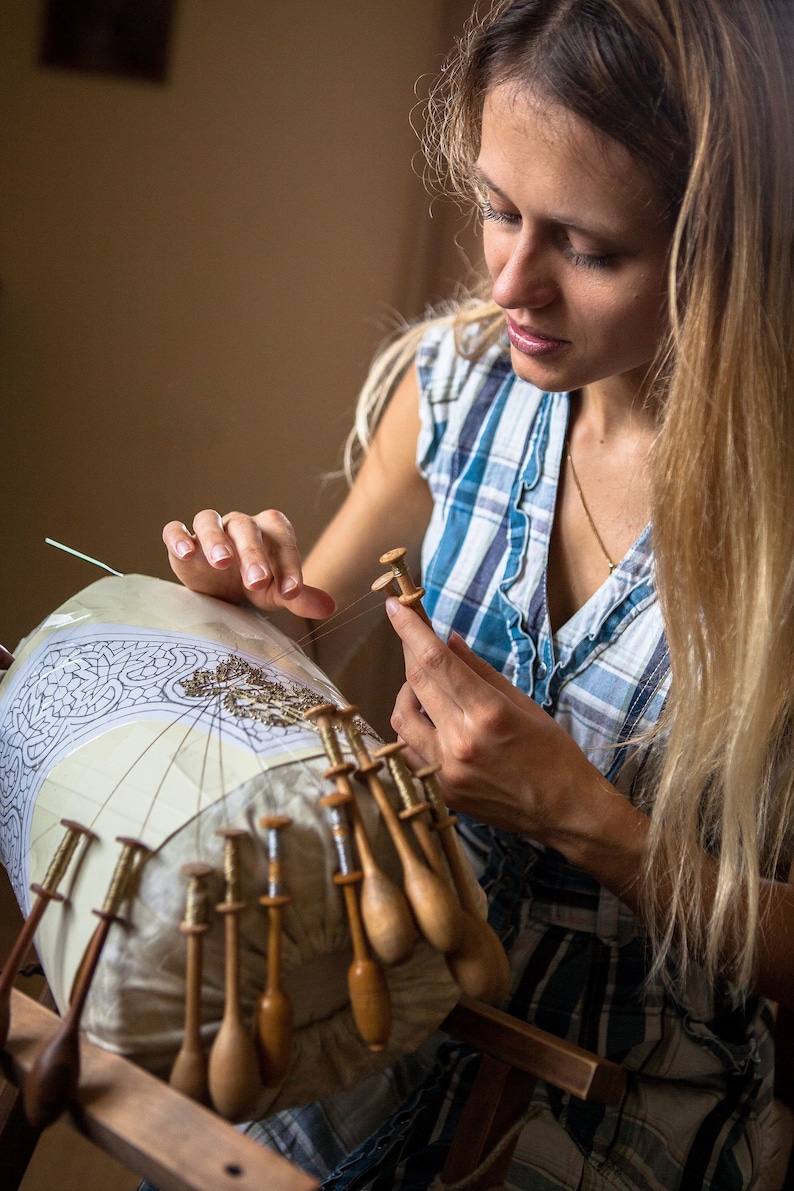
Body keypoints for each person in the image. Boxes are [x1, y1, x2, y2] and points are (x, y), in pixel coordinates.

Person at [161, 1, 794, 1187]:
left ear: (725, 241)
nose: (511, 283)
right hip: (339, 1062)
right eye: (499, 208)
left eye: (588, 249)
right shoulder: (452, 390)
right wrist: (233, 609)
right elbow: (300, 634)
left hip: (606, 1135)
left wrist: (588, 824)